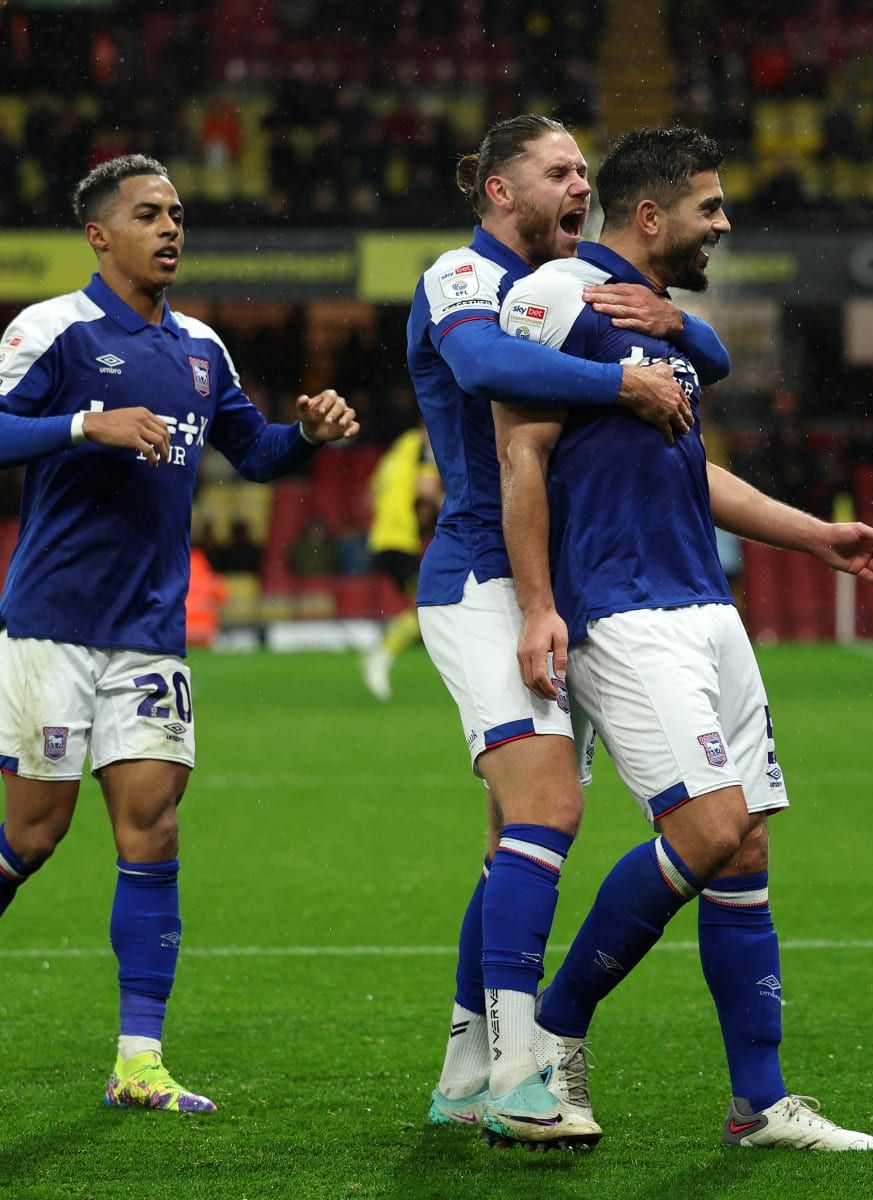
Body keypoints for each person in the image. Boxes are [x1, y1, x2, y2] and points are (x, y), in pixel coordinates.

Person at [494, 127, 873, 1151]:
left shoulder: (665, 323)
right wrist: (540, 603)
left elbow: (694, 472)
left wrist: (818, 536)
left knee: (747, 843)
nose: (723, 224)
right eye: (710, 208)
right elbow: (523, 459)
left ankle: (760, 1104)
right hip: (623, 612)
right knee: (708, 827)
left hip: (703, 607)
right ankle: (551, 1034)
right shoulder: (555, 300)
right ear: (650, 216)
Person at [0, 154, 358, 1114]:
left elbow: (257, 451)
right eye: (148, 214)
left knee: (152, 828)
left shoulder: (202, 348)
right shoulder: (53, 331)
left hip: (152, 633)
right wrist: (84, 424)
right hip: (52, 627)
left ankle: (139, 1064)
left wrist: (310, 435)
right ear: (98, 235)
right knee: (31, 835)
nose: (170, 229)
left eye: (178, 213)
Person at [408, 114, 733, 1148]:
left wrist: (675, 334)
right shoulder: (460, 274)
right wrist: (617, 379)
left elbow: (705, 356)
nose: (578, 185)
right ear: (500, 191)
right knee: (546, 808)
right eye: (557, 172)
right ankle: (518, 1074)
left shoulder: (567, 291)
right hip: (481, 578)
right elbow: (478, 371)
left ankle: (465, 1071)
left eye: (585, 170)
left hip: (557, 581)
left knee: (520, 831)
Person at [360, 422, 442, 701]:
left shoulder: (399, 449)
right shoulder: (423, 451)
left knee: (424, 604)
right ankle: (381, 656)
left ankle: (382, 654)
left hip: (380, 539)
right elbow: (429, 490)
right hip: (401, 539)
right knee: (427, 605)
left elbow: (370, 495)